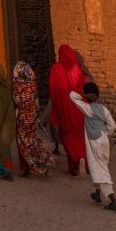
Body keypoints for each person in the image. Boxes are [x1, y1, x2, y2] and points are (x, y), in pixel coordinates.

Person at [70, 83, 116, 211]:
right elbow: (112, 126)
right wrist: (104, 133)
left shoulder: (88, 108)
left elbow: (72, 96)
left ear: (88, 95)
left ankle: (114, 202)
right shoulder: (103, 109)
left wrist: (84, 96)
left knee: (100, 169)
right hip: (104, 140)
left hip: (95, 142)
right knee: (101, 165)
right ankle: (97, 195)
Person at [12, 61, 57, 178]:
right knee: (34, 141)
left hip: (21, 119)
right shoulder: (32, 84)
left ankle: (29, 170)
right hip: (31, 118)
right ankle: (48, 159)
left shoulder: (17, 85)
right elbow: (37, 104)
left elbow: (16, 102)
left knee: (24, 144)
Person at [49, 45, 87, 177]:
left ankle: (79, 159)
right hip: (79, 107)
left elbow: (53, 89)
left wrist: (56, 109)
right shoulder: (76, 68)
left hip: (65, 109)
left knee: (68, 137)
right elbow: (83, 88)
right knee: (79, 136)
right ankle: (76, 166)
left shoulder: (56, 68)